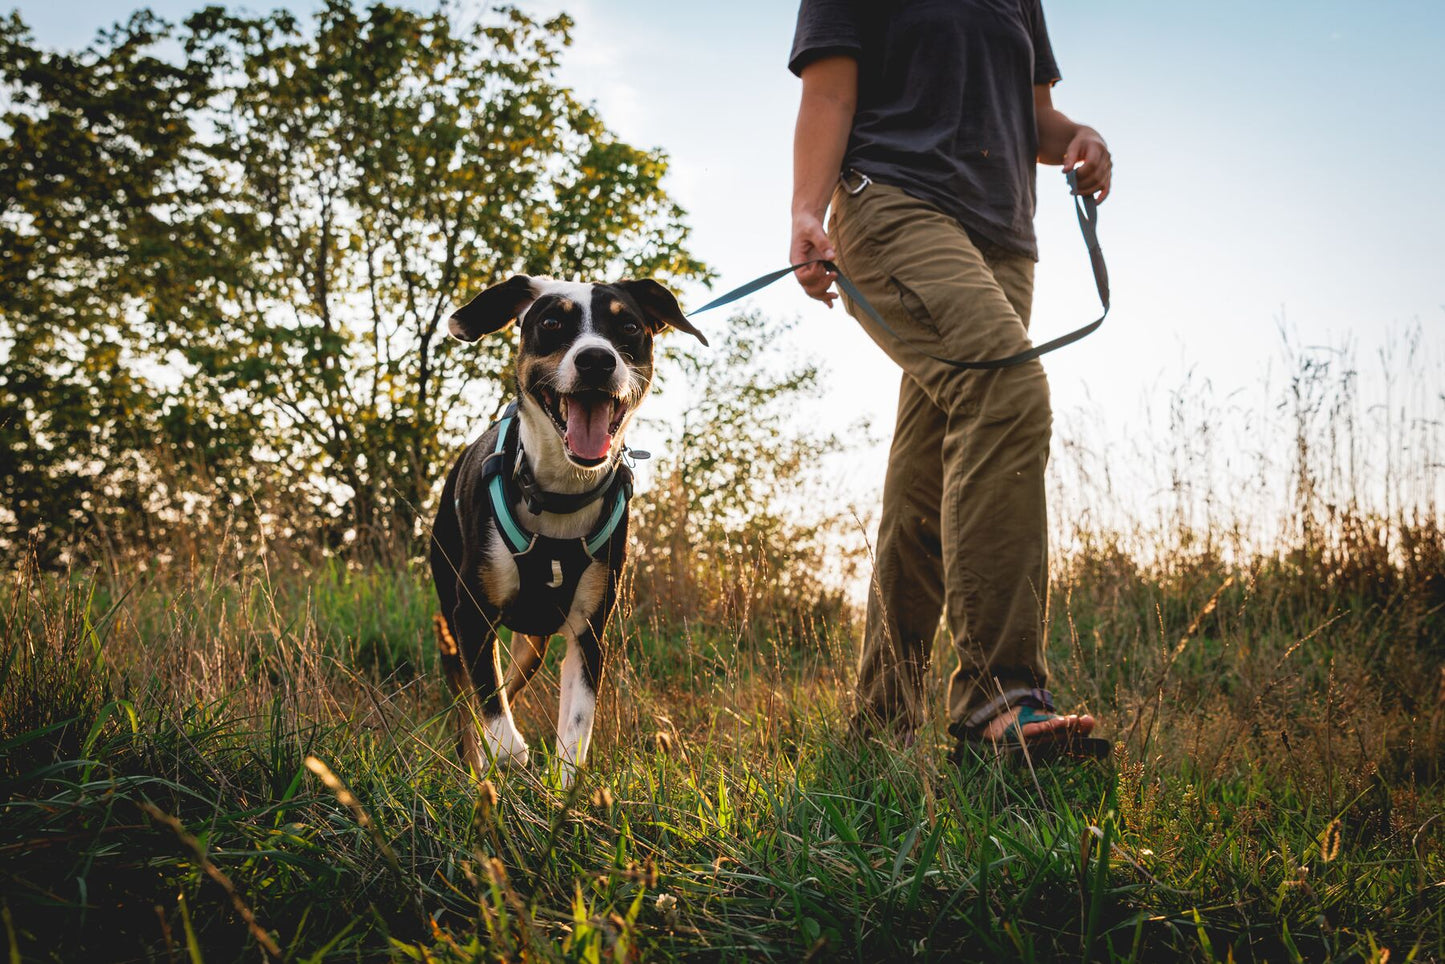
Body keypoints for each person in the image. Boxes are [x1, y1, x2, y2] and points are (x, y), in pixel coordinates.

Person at [788, 0, 1113, 757]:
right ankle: (998, 700)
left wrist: (1083, 139)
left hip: (1001, 243)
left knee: (925, 484)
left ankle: (877, 730)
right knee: (1006, 391)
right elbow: (830, 91)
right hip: (893, 205)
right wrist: (807, 210)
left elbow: (1033, 119)